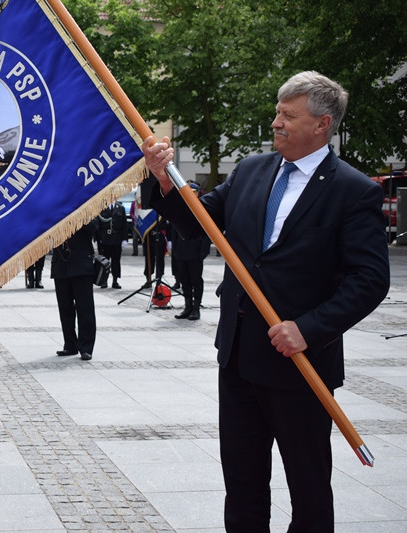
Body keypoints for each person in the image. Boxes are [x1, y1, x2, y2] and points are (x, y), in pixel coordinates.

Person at [142, 71, 390, 531]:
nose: (276, 122)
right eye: (277, 111)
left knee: (310, 494)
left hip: (300, 365)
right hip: (239, 358)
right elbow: (198, 222)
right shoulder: (251, 170)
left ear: (322, 124)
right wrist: (163, 179)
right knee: (243, 486)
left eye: (288, 116)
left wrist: (309, 327)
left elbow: (371, 279)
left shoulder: (354, 190)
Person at [51, 219, 97, 361]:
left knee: (85, 309)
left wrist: (78, 216)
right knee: (65, 309)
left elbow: (95, 228)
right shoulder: (53, 210)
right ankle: (70, 344)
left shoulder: (85, 207)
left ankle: (86, 347)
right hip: (61, 264)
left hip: (81, 265)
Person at [169, 217, 210, 320]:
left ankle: (196, 308)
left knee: (196, 280)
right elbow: (175, 230)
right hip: (181, 251)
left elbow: (206, 232)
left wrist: (204, 251)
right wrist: (175, 250)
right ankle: (188, 307)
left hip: (195, 251)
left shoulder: (198, 211)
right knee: (184, 280)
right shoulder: (180, 213)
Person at [95, 201, 127, 289]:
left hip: (116, 238)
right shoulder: (101, 207)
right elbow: (97, 224)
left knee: (116, 260)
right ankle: (104, 281)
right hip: (104, 238)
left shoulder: (120, 208)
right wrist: (96, 239)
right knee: (104, 261)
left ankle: (115, 280)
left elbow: (124, 224)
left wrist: (125, 239)